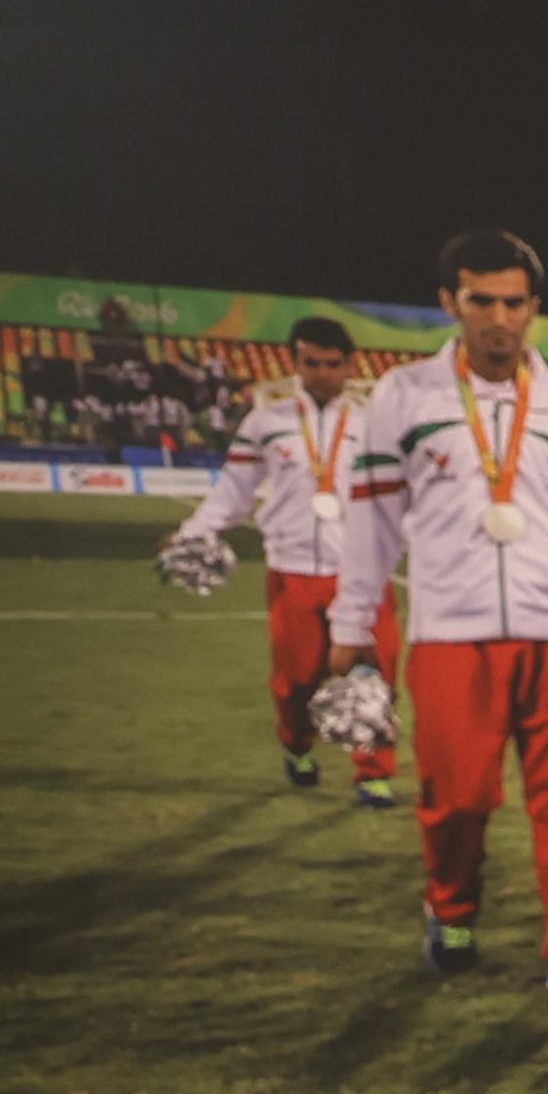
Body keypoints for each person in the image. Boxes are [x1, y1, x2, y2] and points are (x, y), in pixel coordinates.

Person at [332, 231, 548, 1002]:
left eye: (514, 304)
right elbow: (371, 521)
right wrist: (350, 627)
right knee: (458, 799)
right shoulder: (403, 397)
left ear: (534, 307)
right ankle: (450, 910)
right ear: (451, 302)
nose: (499, 320)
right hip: (453, 634)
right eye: (482, 301)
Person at [181, 316, 401, 804]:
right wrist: (194, 531)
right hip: (292, 571)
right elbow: (233, 490)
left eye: (332, 364)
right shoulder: (265, 423)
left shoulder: (375, 425)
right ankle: (297, 745)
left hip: (362, 574)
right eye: (311, 363)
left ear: (350, 366)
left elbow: (400, 495)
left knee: (374, 675)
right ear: (295, 363)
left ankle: (373, 773)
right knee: (296, 682)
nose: (321, 374)